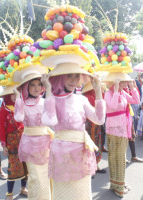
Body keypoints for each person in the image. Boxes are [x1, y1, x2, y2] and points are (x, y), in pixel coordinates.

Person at [40, 62, 105, 199]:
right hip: (62, 153)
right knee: (64, 192)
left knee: (82, 191)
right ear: (60, 77)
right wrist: (48, 91)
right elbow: (49, 121)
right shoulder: (51, 100)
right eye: (69, 76)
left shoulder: (81, 99)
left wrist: (98, 91)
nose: (74, 80)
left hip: (82, 151)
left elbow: (99, 119)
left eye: (76, 76)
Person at [14, 69, 53, 200]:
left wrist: (48, 87)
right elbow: (18, 118)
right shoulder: (22, 103)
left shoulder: (45, 101)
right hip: (30, 144)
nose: (37, 88)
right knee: (36, 179)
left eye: (39, 84)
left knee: (46, 177)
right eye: (32, 85)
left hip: (46, 144)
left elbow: (53, 119)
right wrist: (18, 98)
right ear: (26, 87)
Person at [103, 72, 140, 197]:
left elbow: (136, 100)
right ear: (115, 82)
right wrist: (117, 90)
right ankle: (116, 185)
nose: (126, 83)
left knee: (121, 158)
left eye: (126, 81)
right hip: (113, 129)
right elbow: (112, 106)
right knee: (115, 158)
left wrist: (132, 87)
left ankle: (120, 183)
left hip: (123, 128)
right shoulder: (108, 93)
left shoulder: (123, 92)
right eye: (123, 81)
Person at [0, 86, 28, 200]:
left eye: (17, 94)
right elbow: (1, 128)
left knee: (25, 166)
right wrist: (4, 145)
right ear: (7, 95)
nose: (15, 97)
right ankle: (9, 194)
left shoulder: (21, 106)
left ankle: (23, 188)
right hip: (12, 141)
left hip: (24, 138)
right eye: (13, 94)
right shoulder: (4, 109)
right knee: (13, 167)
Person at [82, 83, 107, 175]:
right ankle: (90, 167)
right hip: (90, 126)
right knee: (90, 146)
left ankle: (95, 165)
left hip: (95, 125)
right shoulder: (89, 97)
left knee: (96, 144)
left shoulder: (94, 96)